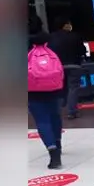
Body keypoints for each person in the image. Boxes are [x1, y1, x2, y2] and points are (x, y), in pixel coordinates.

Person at [28, 31, 65, 169]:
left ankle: (53, 152)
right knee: (55, 117)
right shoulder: (53, 52)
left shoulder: (28, 54)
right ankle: (58, 144)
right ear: (46, 41)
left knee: (42, 121)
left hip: (34, 93)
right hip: (54, 91)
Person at [47, 18, 86, 119]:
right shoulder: (75, 36)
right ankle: (71, 111)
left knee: (60, 88)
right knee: (73, 88)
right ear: (65, 25)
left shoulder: (51, 37)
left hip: (58, 67)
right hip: (74, 65)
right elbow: (82, 50)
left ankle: (58, 110)